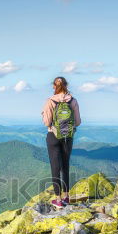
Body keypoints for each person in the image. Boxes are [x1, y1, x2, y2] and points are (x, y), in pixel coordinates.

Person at [41, 76, 81, 207]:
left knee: (55, 167)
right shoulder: (73, 101)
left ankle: (58, 200)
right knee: (65, 166)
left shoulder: (50, 101)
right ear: (67, 85)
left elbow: (47, 122)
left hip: (53, 136)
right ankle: (67, 197)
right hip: (68, 136)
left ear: (54, 86)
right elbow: (78, 122)